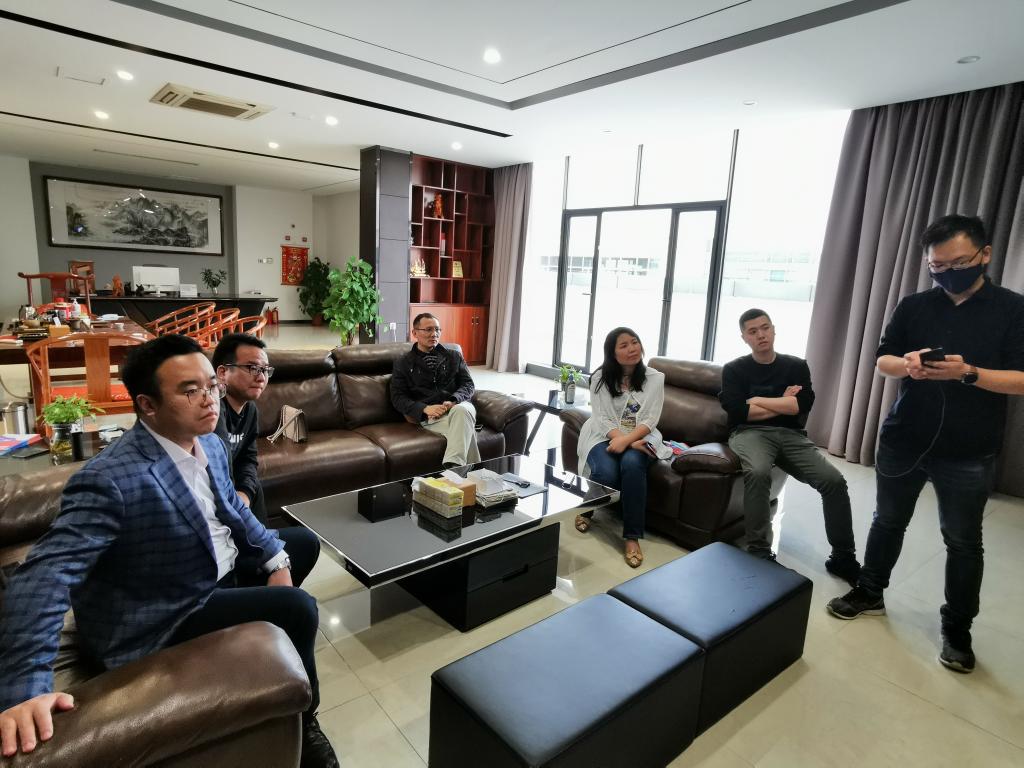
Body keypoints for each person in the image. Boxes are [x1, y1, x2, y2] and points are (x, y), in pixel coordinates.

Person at [0, 335, 338, 767]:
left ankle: (253, 640)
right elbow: (43, 575)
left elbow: (233, 507)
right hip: (167, 608)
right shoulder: (110, 478)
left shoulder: (209, 442)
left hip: (210, 567)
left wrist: (276, 558)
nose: (209, 400)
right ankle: (305, 720)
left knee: (301, 544)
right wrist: (25, 689)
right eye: (190, 391)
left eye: (211, 386)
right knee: (297, 608)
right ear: (147, 405)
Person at [827, 214, 1024, 673]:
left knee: (963, 540)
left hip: (969, 447)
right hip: (905, 437)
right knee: (887, 520)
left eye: (958, 263)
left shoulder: (1012, 309)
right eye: (937, 266)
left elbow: (1020, 379)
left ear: (985, 255)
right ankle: (870, 590)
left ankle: (957, 628)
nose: (948, 272)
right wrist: (908, 365)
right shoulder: (914, 306)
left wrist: (968, 373)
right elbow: (883, 360)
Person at [719, 309, 860, 584]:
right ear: (744, 338)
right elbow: (739, 413)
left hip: (791, 434)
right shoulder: (734, 369)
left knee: (834, 480)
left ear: (774, 329)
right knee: (758, 472)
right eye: (753, 331)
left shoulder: (796, 366)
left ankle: (843, 557)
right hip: (749, 433)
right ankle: (759, 551)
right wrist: (782, 403)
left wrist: (757, 400)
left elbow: (801, 405)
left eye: (765, 328)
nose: (761, 335)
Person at [574, 327, 671, 568]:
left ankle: (632, 537)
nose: (632, 349)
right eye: (624, 345)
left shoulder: (655, 378)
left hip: (642, 434)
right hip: (602, 433)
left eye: (634, 342)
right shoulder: (599, 378)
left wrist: (628, 441)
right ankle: (587, 508)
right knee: (606, 473)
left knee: (632, 464)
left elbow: (651, 418)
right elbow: (602, 418)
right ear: (612, 353)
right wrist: (621, 439)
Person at [391, 312, 479, 468]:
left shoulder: (454, 356)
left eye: (437, 329)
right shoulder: (403, 362)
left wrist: (454, 400)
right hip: (432, 418)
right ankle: (475, 474)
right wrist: (424, 408)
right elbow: (398, 397)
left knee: (461, 411)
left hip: (460, 406)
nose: (434, 334)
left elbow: (468, 384)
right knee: (465, 430)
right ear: (415, 333)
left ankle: (455, 472)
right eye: (428, 329)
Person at [213, 332, 272, 525]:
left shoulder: (250, 410)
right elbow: (219, 469)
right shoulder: (212, 410)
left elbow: (248, 457)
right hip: (217, 507)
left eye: (265, 370)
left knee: (254, 486)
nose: (261, 377)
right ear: (223, 373)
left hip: (237, 499)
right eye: (252, 368)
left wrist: (245, 493)